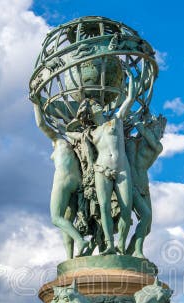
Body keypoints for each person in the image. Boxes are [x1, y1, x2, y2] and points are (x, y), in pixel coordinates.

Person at [70, 74, 137, 255]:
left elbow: (130, 98)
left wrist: (129, 79)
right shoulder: (91, 133)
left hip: (122, 169)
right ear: (89, 113)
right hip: (101, 169)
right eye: (92, 104)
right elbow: (71, 135)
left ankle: (121, 244)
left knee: (125, 210)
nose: (97, 104)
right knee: (105, 208)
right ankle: (109, 245)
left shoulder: (115, 120)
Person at [33, 100, 88, 258]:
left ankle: (80, 241)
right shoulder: (77, 145)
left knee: (56, 218)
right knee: (67, 220)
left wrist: (36, 103)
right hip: (77, 182)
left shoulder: (59, 141)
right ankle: (69, 257)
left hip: (62, 180)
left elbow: (41, 124)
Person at [125, 112, 165, 258]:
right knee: (146, 216)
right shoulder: (131, 142)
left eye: (161, 131)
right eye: (158, 129)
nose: (160, 134)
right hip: (129, 184)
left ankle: (127, 255)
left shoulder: (157, 146)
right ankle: (138, 251)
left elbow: (147, 136)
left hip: (143, 185)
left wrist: (138, 122)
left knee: (147, 228)